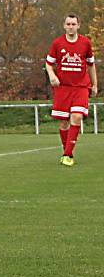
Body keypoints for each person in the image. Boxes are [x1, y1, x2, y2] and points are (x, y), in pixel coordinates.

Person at [45, 14, 97, 166]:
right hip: (63, 88)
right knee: (63, 123)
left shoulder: (85, 43)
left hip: (81, 87)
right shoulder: (57, 43)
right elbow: (48, 63)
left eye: (73, 24)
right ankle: (67, 151)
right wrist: (52, 75)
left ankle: (67, 155)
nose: (70, 26)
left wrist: (94, 84)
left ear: (78, 25)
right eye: (68, 24)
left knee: (77, 117)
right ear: (64, 26)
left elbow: (91, 65)